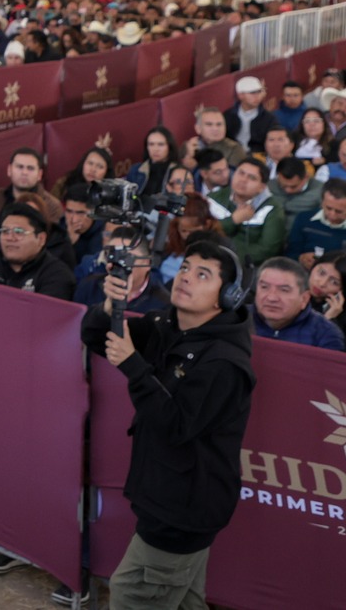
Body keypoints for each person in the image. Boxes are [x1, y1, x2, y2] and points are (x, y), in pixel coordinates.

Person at [80, 239, 254, 610]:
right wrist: (110, 305)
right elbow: (97, 337)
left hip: (185, 506)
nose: (186, 278)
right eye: (186, 267)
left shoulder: (225, 364)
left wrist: (133, 365)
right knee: (185, 601)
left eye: (202, 274)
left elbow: (176, 425)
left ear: (227, 296)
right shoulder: (166, 323)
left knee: (132, 596)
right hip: (165, 491)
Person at [0, 147, 65, 261]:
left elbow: (51, 244)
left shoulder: (52, 206)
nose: (24, 172)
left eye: (30, 168)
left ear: (39, 174)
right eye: (19, 167)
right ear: (9, 170)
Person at [0, 205, 76, 299]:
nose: (10, 238)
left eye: (19, 232)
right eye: (5, 231)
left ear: (41, 239)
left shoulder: (56, 275)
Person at [250, 257, 346, 350]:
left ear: (304, 299)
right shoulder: (238, 319)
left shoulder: (325, 334)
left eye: (284, 290)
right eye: (264, 287)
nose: (271, 298)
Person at [206, 159, 286, 266]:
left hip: (247, 267)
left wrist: (227, 257)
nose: (243, 180)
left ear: (262, 187)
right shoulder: (213, 198)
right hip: (208, 258)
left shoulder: (272, 209)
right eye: (241, 173)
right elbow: (202, 233)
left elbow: (267, 250)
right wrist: (233, 220)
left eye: (252, 178)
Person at [74, 227, 172, 315]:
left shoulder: (163, 303)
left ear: (147, 263)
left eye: (126, 258)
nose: (115, 264)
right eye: (111, 256)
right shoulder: (89, 285)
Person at [284, 178, 346, 267]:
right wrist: (300, 258)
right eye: (328, 208)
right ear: (322, 202)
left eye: (339, 211)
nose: (332, 215)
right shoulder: (303, 219)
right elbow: (290, 254)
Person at [227, 75, 273, 153]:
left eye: (259, 92)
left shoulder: (268, 118)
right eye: (252, 93)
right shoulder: (228, 115)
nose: (257, 96)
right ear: (240, 95)